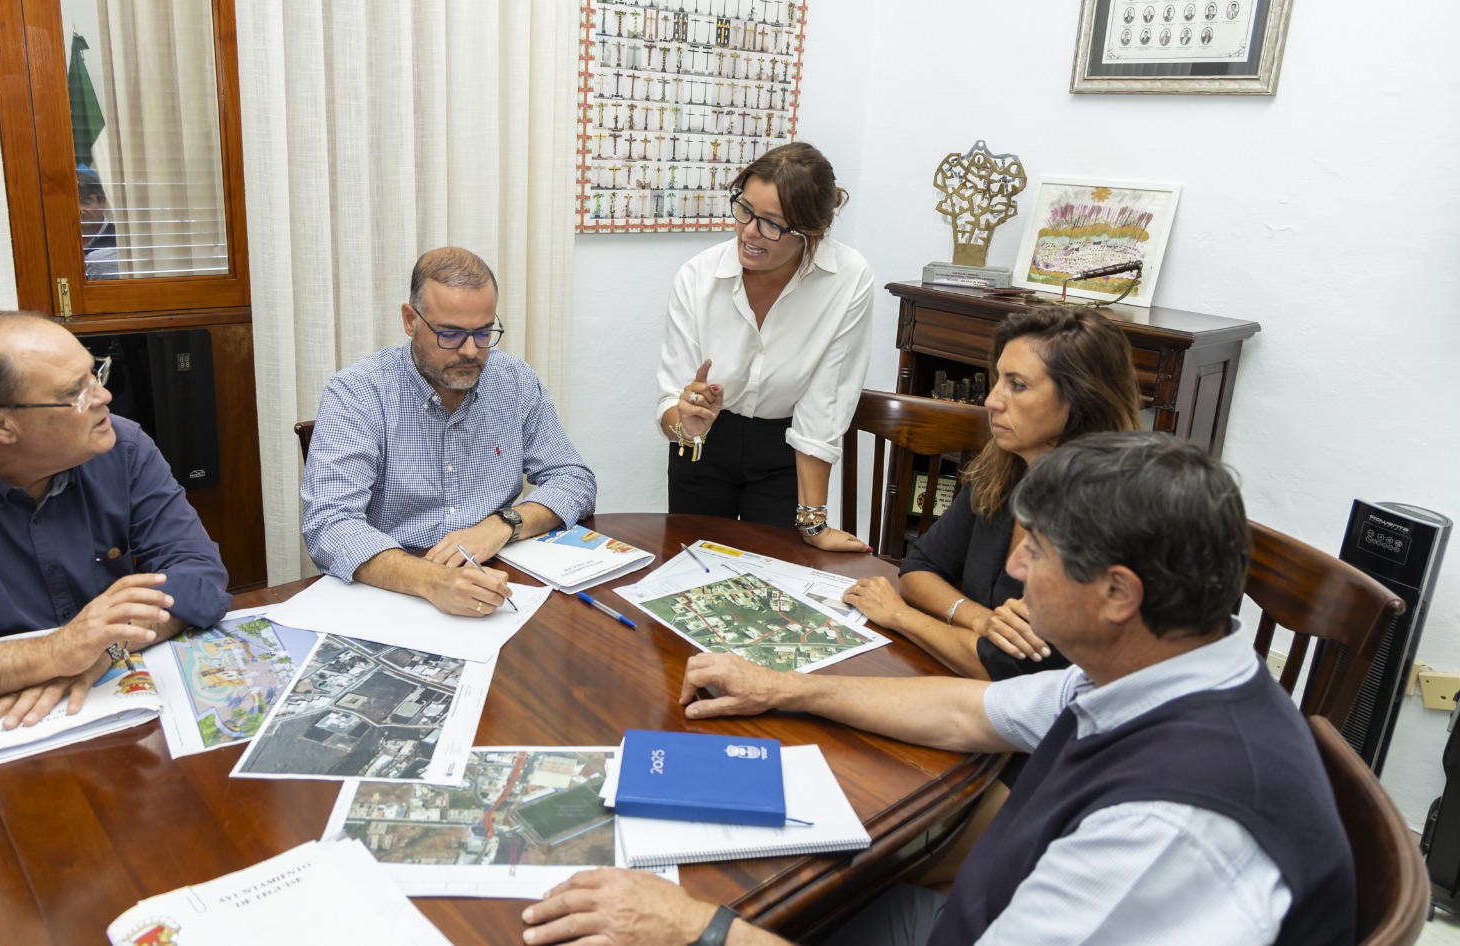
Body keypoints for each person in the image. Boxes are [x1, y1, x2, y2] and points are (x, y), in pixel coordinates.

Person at [521, 433, 1356, 946]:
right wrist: (781, 684)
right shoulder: (1151, 672)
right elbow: (968, 707)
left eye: (1038, 551)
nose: (1014, 570)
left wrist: (695, 930)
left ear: (1119, 594)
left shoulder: (1171, 827)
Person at [0, 311, 230, 735]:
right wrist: (54, 652)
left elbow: (199, 575)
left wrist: (104, 647)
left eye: (96, 374)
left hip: (109, 708)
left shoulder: (123, 447)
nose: (104, 396)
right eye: (76, 392)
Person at [842, 307, 1140, 682]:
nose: (991, 401)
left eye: (1017, 385)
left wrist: (899, 615)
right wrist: (981, 619)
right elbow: (920, 569)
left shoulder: (1105, 511)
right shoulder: (1007, 469)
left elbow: (1008, 669)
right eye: (998, 380)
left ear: (1080, 399)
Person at [302, 247, 596, 617]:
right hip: (397, 590)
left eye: (484, 332)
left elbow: (574, 479)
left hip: (498, 582)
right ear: (411, 320)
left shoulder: (514, 380)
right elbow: (329, 525)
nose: (471, 351)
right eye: (451, 334)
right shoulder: (358, 392)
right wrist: (431, 579)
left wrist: (504, 523)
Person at [655, 142, 873, 552]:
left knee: (776, 579)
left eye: (772, 223)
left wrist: (814, 525)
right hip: (703, 445)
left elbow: (823, 404)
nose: (750, 232)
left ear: (812, 229)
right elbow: (672, 400)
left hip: (785, 450)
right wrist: (687, 423)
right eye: (745, 210)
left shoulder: (847, 279)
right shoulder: (697, 277)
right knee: (690, 572)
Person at [78, 164, 121, 280]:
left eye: (86, 203)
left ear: (102, 202)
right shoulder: (59, 241)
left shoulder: (120, 240)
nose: (80, 210)